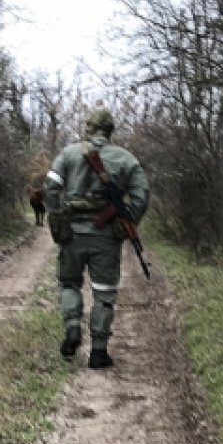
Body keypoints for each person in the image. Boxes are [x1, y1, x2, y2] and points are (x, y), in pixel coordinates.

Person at [42, 107, 150, 369]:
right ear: (111, 131)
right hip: (105, 239)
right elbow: (141, 195)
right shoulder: (126, 159)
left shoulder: (68, 153)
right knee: (103, 293)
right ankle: (99, 352)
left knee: (69, 284)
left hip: (72, 235)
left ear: (88, 127)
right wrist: (126, 222)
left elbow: (50, 187)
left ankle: (72, 329)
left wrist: (58, 217)